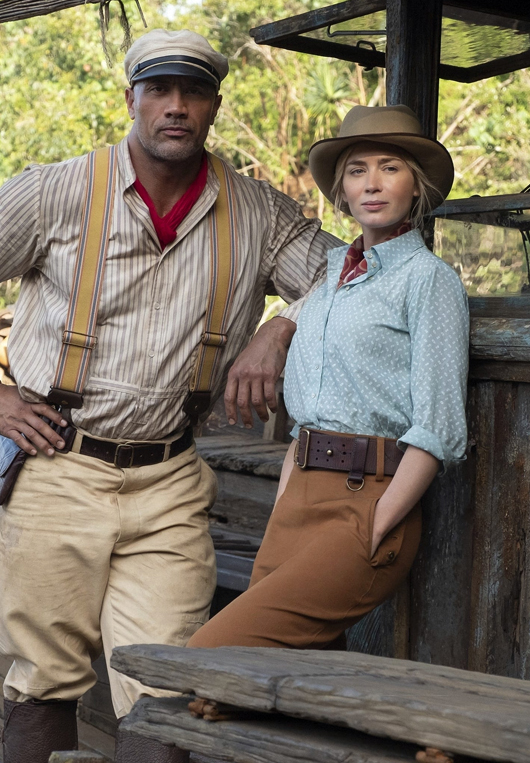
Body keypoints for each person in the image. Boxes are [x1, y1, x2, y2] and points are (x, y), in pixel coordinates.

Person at [0, 29, 338, 763]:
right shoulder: (57, 190)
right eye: (160, 91)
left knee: (166, 681)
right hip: (57, 462)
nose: (176, 107)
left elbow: (352, 272)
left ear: (213, 106)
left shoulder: (258, 213)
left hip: (170, 477)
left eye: (194, 93)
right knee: (44, 679)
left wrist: (280, 328)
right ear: (132, 99)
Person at [188, 105, 469, 654]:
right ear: (341, 189)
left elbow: (438, 427)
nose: (372, 183)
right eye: (358, 170)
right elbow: (306, 411)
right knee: (295, 680)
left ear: (417, 185)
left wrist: (378, 521)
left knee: (213, 656)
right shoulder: (331, 277)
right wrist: (288, 499)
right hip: (298, 500)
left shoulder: (428, 281)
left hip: (369, 501)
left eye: (390, 168)